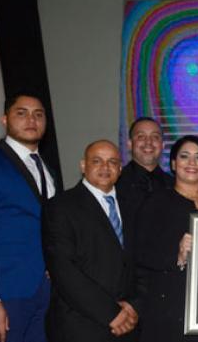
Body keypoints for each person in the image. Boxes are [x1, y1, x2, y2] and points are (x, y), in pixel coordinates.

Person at [0, 91, 63, 342]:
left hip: (45, 294)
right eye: (22, 113)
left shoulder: (47, 169)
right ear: (5, 119)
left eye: (38, 115)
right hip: (4, 293)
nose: (31, 120)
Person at [42, 140, 139, 341]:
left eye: (112, 162)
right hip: (81, 327)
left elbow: (143, 261)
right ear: (83, 166)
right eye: (97, 161)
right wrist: (111, 313)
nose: (105, 167)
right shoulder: (60, 206)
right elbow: (63, 269)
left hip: (129, 326)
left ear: (120, 169)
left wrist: (133, 305)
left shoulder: (133, 206)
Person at [135, 135, 198, 342]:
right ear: (173, 163)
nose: (191, 163)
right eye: (184, 156)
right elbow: (139, 253)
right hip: (169, 309)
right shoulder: (156, 202)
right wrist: (176, 255)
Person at [117, 117, 174, 209]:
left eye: (155, 137)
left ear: (162, 145)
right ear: (130, 144)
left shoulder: (174, 186)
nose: (148, 142)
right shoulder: (115, 184)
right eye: (141, 137)